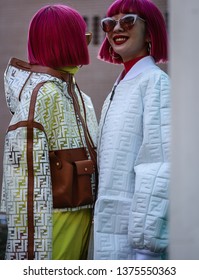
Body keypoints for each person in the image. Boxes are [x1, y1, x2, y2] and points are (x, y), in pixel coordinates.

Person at [0, 4, 98, 260]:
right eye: (82, 36)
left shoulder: (76, 93)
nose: (86, 43)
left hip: (79, 223)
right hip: (54, 230)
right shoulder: (42, 96)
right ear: (66, 42)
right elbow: (23, 185)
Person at [94, 0, 170, 260]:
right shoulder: (122, 84)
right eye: (109, 23)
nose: (116, 28)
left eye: (128, 20)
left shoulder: (156, 83)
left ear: (150, 32)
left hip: (134, 244)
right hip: (108, 231)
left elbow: (158, 166)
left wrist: (146, 247)